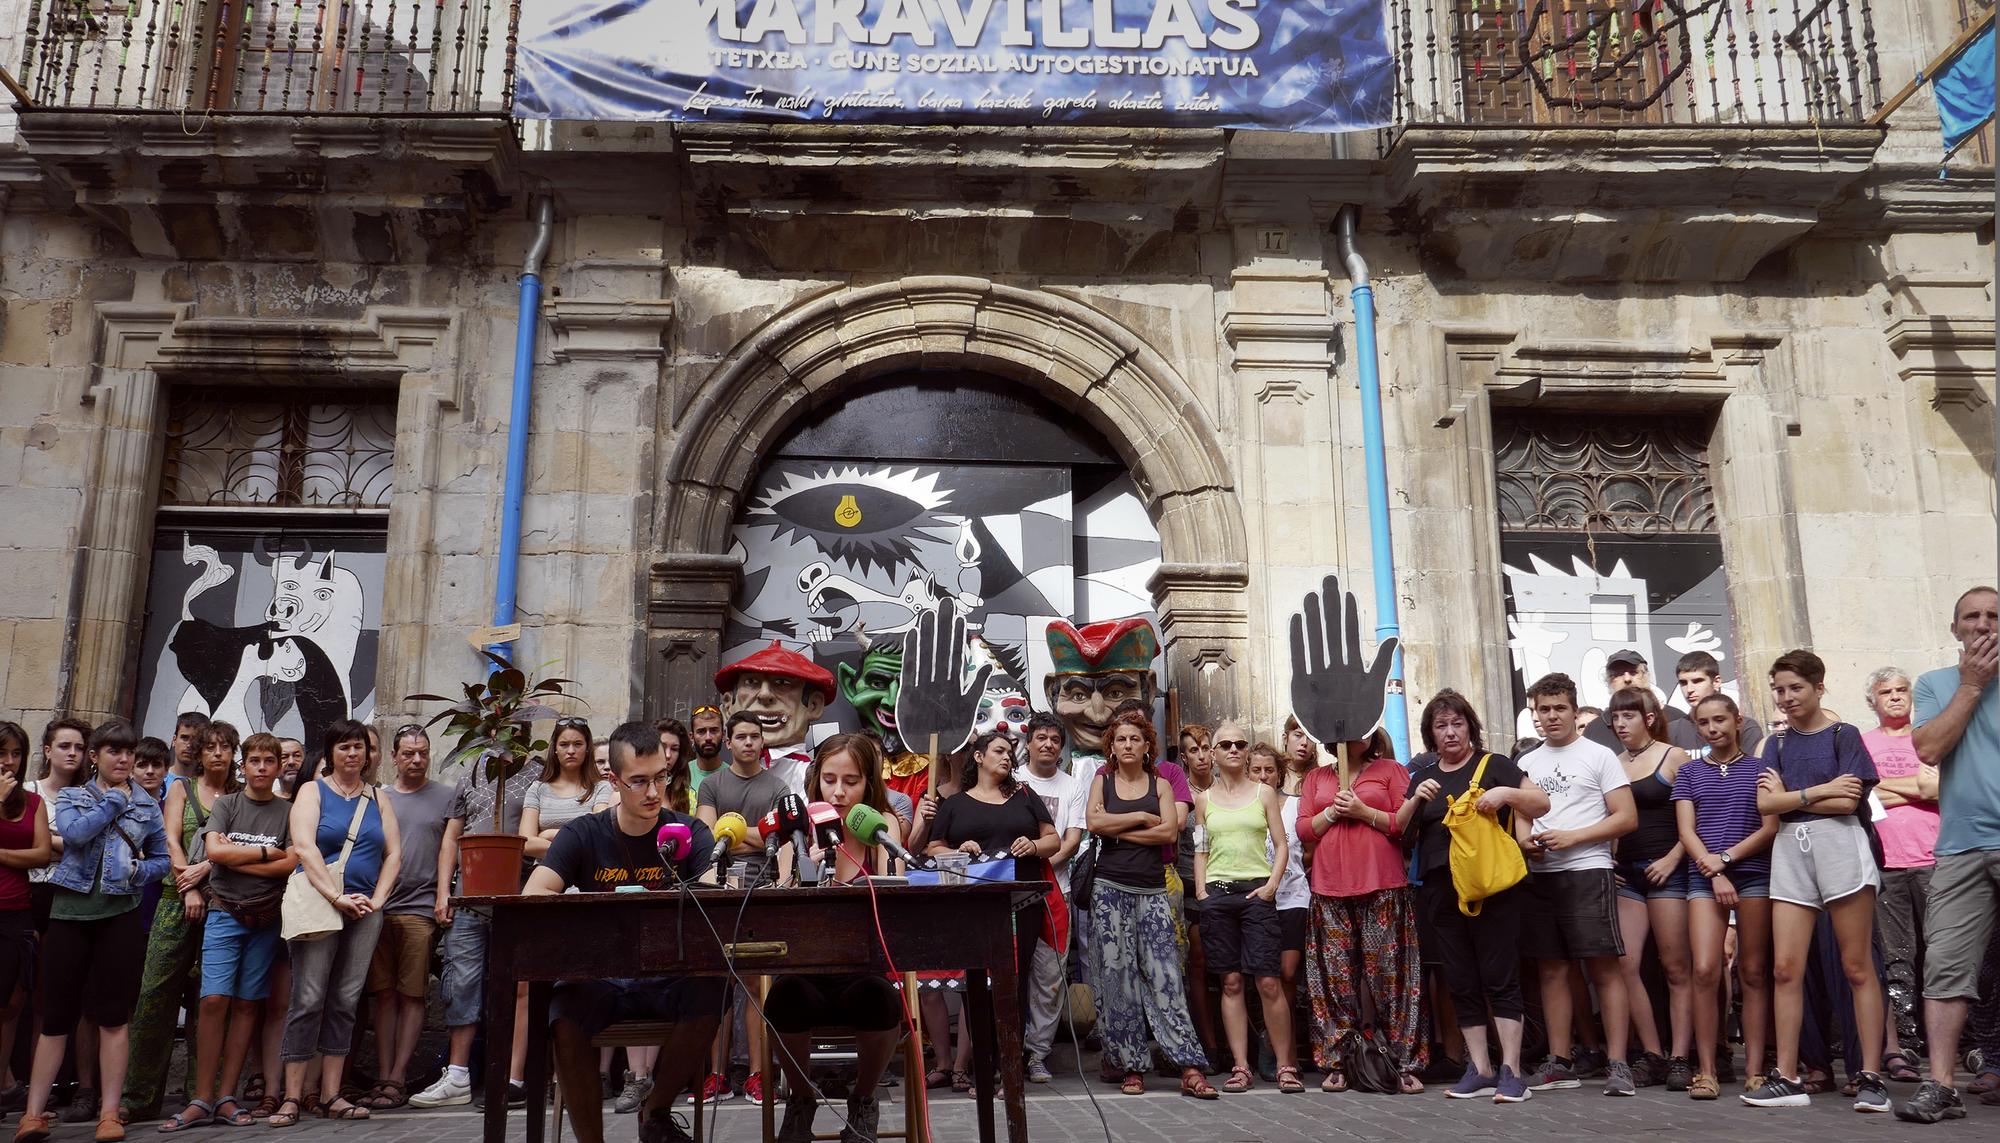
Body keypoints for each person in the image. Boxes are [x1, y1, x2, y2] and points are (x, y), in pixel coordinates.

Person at [527, 721, 722, 1143]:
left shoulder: (689, 832)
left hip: (669, 974)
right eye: (639, 781)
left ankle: (656, 1112)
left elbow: (713, 893)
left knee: (714, 991)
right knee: (563, 1012)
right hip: (601, 975)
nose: (653, 792)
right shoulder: (583, 833)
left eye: (660, 778)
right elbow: (534, 893)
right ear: (613, 781)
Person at [1745, 649, 1887, 1111]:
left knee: (1856, 966)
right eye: (1779, 689)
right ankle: (1787, 1077)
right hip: (1791, 849)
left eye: (1796, 688)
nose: (1786, 697)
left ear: (1819, 687)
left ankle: (1871, 1076)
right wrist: (1820, 790)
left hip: (1841, 844)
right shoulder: (1776, 744)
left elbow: (1849, 803)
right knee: (1785, 968)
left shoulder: (1845, 734)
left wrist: (1791, 797)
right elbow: (1765, 805)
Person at [16, 719, 169, 1143]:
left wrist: (139, 871)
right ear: (96, 757)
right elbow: (76, 834)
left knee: (114, 1016)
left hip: (120, 914)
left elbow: (162, 859)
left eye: (129, 752)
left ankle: (109, 1114)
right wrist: (114, 802)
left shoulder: (148, 805)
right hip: (70, 912)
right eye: (114, 752)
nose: (124, 759)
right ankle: (33, 1115)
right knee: (57, 1016)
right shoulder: (72, 796)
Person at [1399, 692, 1548, 1103]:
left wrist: (1506, 796)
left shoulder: (1494, 765)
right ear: (1430, 734)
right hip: (1440, 889)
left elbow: (1540, 801)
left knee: (1500, 976)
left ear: (1470, 727)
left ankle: (1511, 1071)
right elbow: (1400, 831)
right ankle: (1480, 1068)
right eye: (1441, 726)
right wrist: (1416, 799)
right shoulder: (1422, 777)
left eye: (1457, 723)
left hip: (1491, 888)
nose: (1450, 732)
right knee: (1460, 978)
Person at [770, 734, 908, 1143]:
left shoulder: (881, 826)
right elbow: (779, 908)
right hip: (808, 968)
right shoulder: (797, 830)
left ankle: (863, 1099)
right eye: (829, 780)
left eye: (851, 781)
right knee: (783, 998)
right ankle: (801, 1098)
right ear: (816, 781)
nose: (839, 792)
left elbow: (895, 898)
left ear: (869, 783)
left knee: (881, 1000)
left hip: (863, 968)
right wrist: (804, 870)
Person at [158, 732, 295, 1131]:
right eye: (254, 761)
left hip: (265, 919)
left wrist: (238, 858)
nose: (262, 768)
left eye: (269, 761)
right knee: (214, 999)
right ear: (243, 765)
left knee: (249, 1004)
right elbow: (215, 853)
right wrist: (265, 853)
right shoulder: (228, 804)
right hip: (223, 912)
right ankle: (201, 1097)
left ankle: (226, 1097)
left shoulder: (288, 811)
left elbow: (290, 864)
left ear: (277, 767)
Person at [1898, 586, 1999, 1124]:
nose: (1983, 625)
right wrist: (1972, 686)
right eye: (1972, 617)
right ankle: (1941, 1087)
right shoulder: (1935, 683)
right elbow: (1930, 749)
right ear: (1954, 628)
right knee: (1945, 966)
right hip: (1961, 846)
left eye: (1993, 616)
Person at [1515, 672, 1642, 1097]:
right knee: (1552, 969)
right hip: (1541, 876)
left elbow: (1626, 817)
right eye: (1543, 709)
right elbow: (1521, 818)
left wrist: (1574, 837)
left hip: (1589, 869)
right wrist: (1525, 844)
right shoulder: (1527, 762)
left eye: (1559, 708)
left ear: (1574, 710)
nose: (1551, 716)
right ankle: (1560, 1061)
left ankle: (1618, 1063)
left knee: (1603, 967)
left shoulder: (1599, 755)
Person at [270, 719, 401, 1127]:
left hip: (365, 909)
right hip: (321, 902)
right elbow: (305, 847)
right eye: (344, 747)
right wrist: (335, 896)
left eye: (359, 746)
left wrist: (378, 900)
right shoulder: (313, 791)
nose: (353, 753)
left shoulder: (379, 798)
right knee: (308, 998)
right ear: (330, 753)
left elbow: (394, 854)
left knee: (346, 1000)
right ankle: (292, 1096)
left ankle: (331, 1094)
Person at [1084, 710, 1217, 1099]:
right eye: (1121, 739)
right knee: (1117, 980)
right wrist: (1143, 817)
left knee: (1166, 977)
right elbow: (1093, 823)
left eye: (1135, 739)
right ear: (1111, 746)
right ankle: (1131, 1066)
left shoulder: (1160, 782)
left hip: (1153, 889)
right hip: (1109, 889)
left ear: (1147, 747)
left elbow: (1169, 832)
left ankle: (1189, 1066)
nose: (1127, 745)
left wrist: (1119, 830)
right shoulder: (1102, 780)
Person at [406, 738, 539, 1110]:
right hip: (467, 896)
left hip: (518, 895)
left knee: (518, 987)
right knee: (461, 981)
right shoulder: (473, 770)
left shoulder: (539, 772)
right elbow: (452, 836)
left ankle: (513, 1077)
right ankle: (458, 1074)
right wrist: (443, 892)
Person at [924, 733, 1059, 1090]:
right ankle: (984, 1068)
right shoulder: (955, 804)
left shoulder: (1025, 795)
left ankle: (1009, 1069)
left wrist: (1033, 845)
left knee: (1015, 981)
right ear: (979, 757)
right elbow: (932, 848)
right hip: (973, 907)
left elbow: (1053, 840)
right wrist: (957, 850)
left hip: (1022, 904)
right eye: (999, 750)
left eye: (1010, 753)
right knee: (975, 986)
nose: (1007, 757)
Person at [124, 719, 242, 1121]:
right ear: (201, 753)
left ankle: (202, 1095)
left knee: (211, 1000)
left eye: (225, 747)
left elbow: (241, 847)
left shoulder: (241, 797)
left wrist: (208, 867)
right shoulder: (181, 789)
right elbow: (170, 840)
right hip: (177, 901)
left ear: (234, 753)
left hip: (224, 905)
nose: (217, 754)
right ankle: (138, 1097)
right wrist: (188, 886)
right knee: (154, 996)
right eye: (210, 747)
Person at [1298, 728, 1425, 1094]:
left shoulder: (1390, 770)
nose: (1358, 736)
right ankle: (1338, 1062)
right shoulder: (1316, 777)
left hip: (1382, 884)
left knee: (1392, 977)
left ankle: (1404, 1062)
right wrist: (1332, 813)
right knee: (1334, 980)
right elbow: (1305, 829)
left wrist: (1362, 811)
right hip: (1330, 888)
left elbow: (1402, 824)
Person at [1674, 693, 1777, 1100]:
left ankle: (1755, 1070)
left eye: (1720, 719)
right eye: (1704, 722)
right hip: (1704, 877)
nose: (1712, 728)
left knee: (1753, 971)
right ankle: (1706, 1071)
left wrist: (1727, 859)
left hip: (1753, 875)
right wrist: (1715, 870)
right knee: (1704, 969)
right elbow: (1687, 831)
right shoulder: (1689, 772)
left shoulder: (1760, 768)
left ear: (1737, 721)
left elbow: (1769, 827)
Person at [1190, 724, 1295, 1094]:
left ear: (1246, 751)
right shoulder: (1204, 800)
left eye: (1239, 743)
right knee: (1231, 982)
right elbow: (1200, 849)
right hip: (1218, 896)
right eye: (1225, 744)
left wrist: (1272, 885)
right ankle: (1241, 1066)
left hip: (1256, 893)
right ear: (1214, 753)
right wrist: (1201, 892)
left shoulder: (1264, 792)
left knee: (1268, 981)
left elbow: (1281, 845)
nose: (1233, 749)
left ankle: (1284, 1066)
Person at [692, 712, 791, 1105]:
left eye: (755, 736)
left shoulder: (778, 786)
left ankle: (756, 1074)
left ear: (762, 742)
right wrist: (757, 834)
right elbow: (707, 837)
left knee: (754, 982)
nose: (749, 743)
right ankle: (716, 1075)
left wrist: (733, 832)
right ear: (728, 742)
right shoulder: (712, 785)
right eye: (742, 737)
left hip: (763, 886)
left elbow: (779, 841)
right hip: (718, 887)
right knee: (719, 982)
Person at [359, 725, 453, 1111]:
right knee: (384, 994)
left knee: (412, 993)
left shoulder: (446, 797)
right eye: (409, 753)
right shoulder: (376, 798)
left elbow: (449, 850)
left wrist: (443, 896)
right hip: (379, 909)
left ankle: (397, 1077)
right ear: (393, 757)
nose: (417, 760)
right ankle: (383, 1074)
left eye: (423, 753)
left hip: (420, 909)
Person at [1605, 686, 1694, 1091]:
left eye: (1629, 715)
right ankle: (1653, 1053)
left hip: (1667, 871)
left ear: (1649, 718)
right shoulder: (1612, 763)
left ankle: (1680, 1057)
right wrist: (1608, 861)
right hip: (1628, 874)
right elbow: (1607, 818)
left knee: (1675, 968)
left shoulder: (1673, 756)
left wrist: (1674, 858)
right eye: (1616, 717)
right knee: (1626, 965)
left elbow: (1695, 818)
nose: (1621, 724)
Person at [1860, 667, 1936, 1083]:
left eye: (1901, 689)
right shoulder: (1863, 743)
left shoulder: (1928, 737)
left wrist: (1886, 786)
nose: (1894, 696)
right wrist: (1915, 785)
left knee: (1942, 952)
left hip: (1934, 856)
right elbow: (1863, 793)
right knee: (1896, 957)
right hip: (1887, 862)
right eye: (1885, 691)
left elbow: (1936, 788)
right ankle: (1905, 1043)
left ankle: (1964, 1043)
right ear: (1872, 700)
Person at [1012, 714, 1088, 1085]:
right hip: (1011, 892)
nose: (1047, 744)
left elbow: (1071, 841)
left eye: (1055, 740)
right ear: (1027, 743)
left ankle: (1037, 1054)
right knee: (1012, 973)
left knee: (1049, 976)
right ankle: (1007, 1049)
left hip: (1057, 891)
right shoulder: (1013, 781)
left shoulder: (1072, 786)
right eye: (1040, 737)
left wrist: (1039, 869)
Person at [0, 723, 50, 1126]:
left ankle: (2, 1086)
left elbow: (40, 855)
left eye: (17, 754)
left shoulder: (33, 803)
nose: (9, 762)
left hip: (17, 910)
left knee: (10, 1005)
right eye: (2, 753)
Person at [520, 719, 614, 862]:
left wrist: (548, 834)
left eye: (578, 744)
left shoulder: (601, 788)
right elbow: (526, 843)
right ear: (555, 749)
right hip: (545, 871)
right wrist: (576, 847)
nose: (571, 751)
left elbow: (598, 834)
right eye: (564, 744)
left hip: (587, 872)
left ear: (587, 748)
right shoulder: (537, 789)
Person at [1585, 651, 1701, 752]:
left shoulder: (1675, 718)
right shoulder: (1595, 730)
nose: (1627, 679)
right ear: (1609, 681)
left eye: (1633, 672)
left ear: (1646, 676)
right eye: (1619, 674)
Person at [1675, 652, 1763, 757]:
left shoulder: (1745, 727)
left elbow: (1752, 766)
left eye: (1697, 681)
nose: (1689, 690)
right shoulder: (1672, 730)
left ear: (1716, 682)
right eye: (1683, 683)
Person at [655, 718, 696, 815]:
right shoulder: (632, 791)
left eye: (674, 749)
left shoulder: (689, 797)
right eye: (663, 747)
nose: (668, 755)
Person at [687, 707, 725, 795]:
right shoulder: (681, 775)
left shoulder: (733, 777)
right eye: (701, 731)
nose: (708, 737)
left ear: (723, 735)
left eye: (714, 731)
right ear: (692, 737)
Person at [168, 714, 208, 785]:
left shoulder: (209, 786)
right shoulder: (158, 780)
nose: (189, 745)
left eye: (196, 740)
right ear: (174, 740)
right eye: (184, 738)